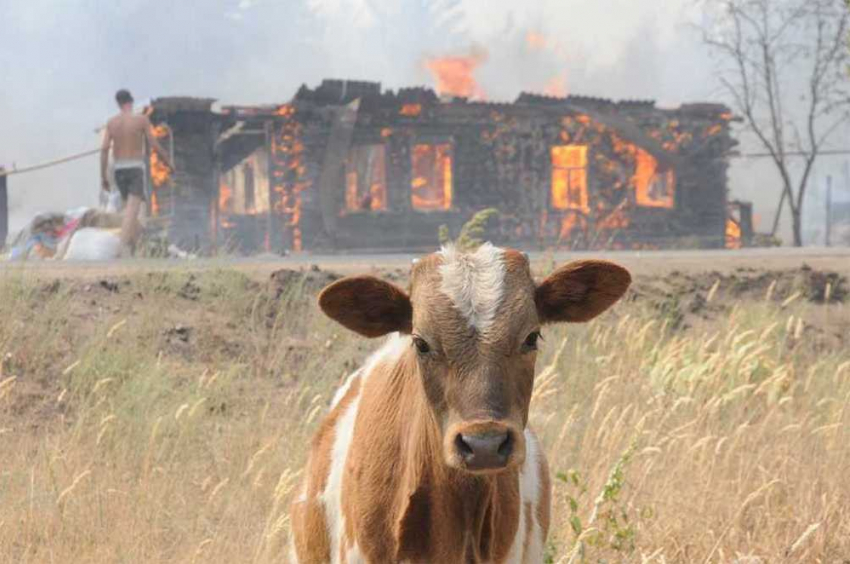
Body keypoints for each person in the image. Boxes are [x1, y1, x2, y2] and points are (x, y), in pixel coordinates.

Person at [100, 89, 172, 254]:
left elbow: (104, 149)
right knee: (132, 212)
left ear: (118, 104)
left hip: (118, 171)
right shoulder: (141, 120)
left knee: (129, 211)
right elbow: (153, 144)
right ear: (131, 102)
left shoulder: (111, 123)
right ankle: (120, 250)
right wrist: (168, 162)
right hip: (134, 170)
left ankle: (137, 247)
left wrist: (103, 176)